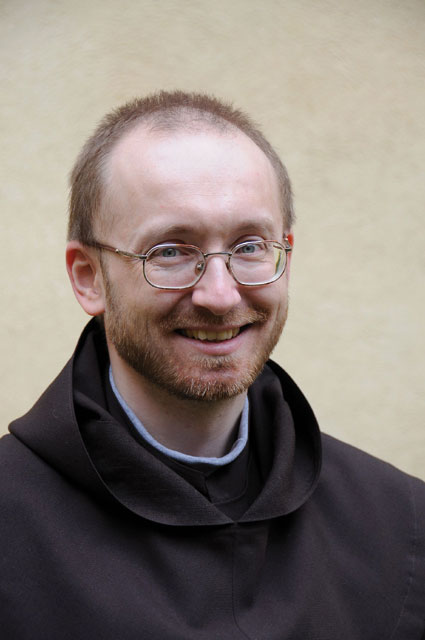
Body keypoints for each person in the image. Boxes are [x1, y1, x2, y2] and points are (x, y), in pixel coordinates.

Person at [1, 91, 424, 640]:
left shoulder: (401, 528)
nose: (220, 296)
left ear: (285, 255)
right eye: (170, 251)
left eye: (249, 246)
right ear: (88, 277)